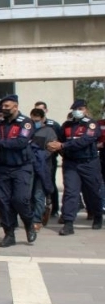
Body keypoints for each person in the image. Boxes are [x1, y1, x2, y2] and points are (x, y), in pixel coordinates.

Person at [47, 99, 104, 235]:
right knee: (71, 192)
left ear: (86, 110)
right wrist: (55, 146)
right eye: (76, 109)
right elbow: (59, 140)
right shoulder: (67, 125)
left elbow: (85, 141)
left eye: (81, 109)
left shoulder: (91, 125)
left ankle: (97, 215)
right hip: (71, 163)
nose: (78, 111)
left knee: (93, 191)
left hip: (89, 163)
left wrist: (63, 146)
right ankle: (68, 223)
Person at [0, 95, 37, 247]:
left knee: (20, 199)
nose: (4, 109)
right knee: (3, 202)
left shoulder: (25, 123)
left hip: (21, 167)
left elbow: (21, 142)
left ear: (15, 107)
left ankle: (29, 224)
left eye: (7, 106)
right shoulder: (0, 124)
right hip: (3, 167)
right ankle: (9, 233)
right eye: (3, 106)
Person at [29, 108, 56, 231]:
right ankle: (30, 218)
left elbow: (51, 149)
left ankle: (37, 220)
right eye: (33, 119)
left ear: (43, 119)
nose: (35, 121)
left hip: (42, 167)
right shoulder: (29, 130)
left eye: (37, 119)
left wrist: (39, 157)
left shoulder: (49, 131)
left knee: (38, 195)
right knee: (28, 195)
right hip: (29, 167)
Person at [35, 101, 63, 217]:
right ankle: (39, 210)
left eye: (41, 109)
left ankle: (54, 209)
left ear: (46, 110)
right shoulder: (32, 124)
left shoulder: (53, 125)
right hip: (36, 160)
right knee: (37, 186)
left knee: (50, 183)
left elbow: (59, 142)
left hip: (49, 160)